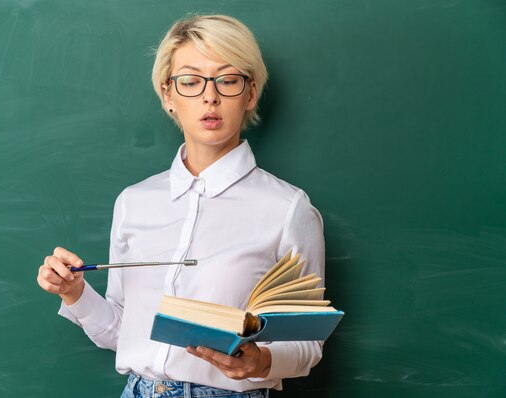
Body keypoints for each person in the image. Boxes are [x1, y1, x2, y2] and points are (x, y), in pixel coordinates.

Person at [37, 14, 325, 398]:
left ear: (250, 94)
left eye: (227, 80)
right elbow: (122, 332)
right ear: (169, 95)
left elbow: (308, 343)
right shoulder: (134, 202)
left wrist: (260, 362)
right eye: (190, 81)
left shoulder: (288, 208)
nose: (210, 96)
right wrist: (74, 293)